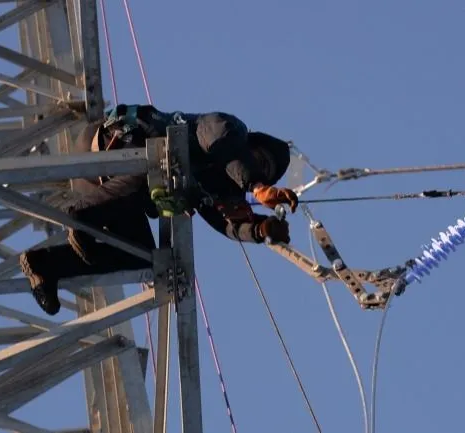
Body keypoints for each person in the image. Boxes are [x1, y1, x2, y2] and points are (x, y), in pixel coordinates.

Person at [19, 104, 299, 316]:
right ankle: (80, 217)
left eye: (267, 173)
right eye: (260, 161)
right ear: (251, 147)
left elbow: (225, 222)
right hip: (112, 147)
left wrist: (262, 229)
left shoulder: (222, 188)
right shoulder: (230, 129)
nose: (260, 170)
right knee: (161, 173)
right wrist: (256, 185)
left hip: (108, 191)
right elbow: (217, 137)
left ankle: (46, 265)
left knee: (145, 258)